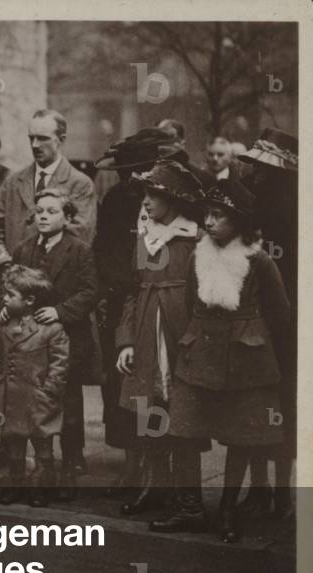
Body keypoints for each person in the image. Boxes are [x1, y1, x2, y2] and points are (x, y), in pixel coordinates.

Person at [168, 179, 289, 542]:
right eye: (207, 214)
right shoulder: (197, 256)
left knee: (241, 437)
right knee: (183, 429)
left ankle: (227, 510)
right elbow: (191, 302)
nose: (208, 221)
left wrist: (252, 336)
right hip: (198, 353)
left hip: (244, 359)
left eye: (218, 215)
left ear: (238, 221)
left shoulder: (259, 260)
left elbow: (280, 313)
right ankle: (189, 510)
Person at [115, 160, 210, 530]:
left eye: (153, 194)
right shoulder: (145, 236)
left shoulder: (194, 239)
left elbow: (205, 299)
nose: (146, 201)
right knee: (149, 411)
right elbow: (134, 290)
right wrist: (126, 341)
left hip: (180, 337)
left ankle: (190, 504)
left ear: (173, 198)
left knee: (183, 418)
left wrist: (194, 340)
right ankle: (156, 487)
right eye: (145, 194)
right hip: (146, 336)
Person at [91, 128, 179, 493]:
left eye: (139, 170)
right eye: (126, 172)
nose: (131, 179)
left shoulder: (167, 199)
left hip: (156, 300)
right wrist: (123, 284)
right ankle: (130, 463)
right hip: (122, 300)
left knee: (156, 386)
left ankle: (156, 467)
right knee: (121, 384)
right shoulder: (115, 200)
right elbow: (103, 249)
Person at [9, 188, 100, 497]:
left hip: (68, 340)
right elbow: (12, 287)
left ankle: (70, 466)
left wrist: (60, 311)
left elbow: (90, 291)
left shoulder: (80, 250)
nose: (44, 217)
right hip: (32, 343)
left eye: (52, 211)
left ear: (68, 217)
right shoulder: (23, 250)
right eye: (40, 211)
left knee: (69, 405)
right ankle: (40, 468)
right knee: (33, 401)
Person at [238, 128, 298, 520]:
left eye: (263, 168)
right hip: (254, 316)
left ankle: (281, 492)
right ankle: (261, 488)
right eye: (254, 166)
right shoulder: (249, 203)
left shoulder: (295, 207)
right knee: (254, 404)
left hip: (286, 319)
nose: (255, 173)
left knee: (281, 403)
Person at [0, 265, 70, 507]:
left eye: (10, 295)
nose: (4, 299)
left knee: (42, 441)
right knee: (14, 440)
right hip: (9, 396)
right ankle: (16, 483)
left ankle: (42, 485)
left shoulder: (51, 329)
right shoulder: (4, 325)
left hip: (38, 396)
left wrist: (49, 390)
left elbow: (60, 363)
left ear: (30, 300)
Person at [0, 109, 96, 272]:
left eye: (42, 138)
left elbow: (78, 238)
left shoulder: (80, 184)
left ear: (61, 140)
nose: (35, 145)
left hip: (56, 280)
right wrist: (5, 265)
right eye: (31, 138)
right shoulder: (12, 183)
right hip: (11, 279)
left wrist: (35, 276)